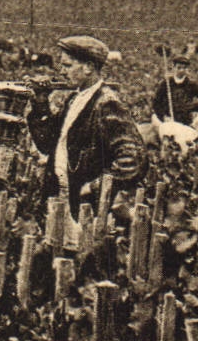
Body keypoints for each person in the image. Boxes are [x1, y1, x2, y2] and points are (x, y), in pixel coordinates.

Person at [27, 35, 144, 231]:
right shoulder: (74, 99)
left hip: (85, 209)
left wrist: (96, 187)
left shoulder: (107, 104)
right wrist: (40, 103)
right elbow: (48, 144)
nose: (62, 71)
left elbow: (134, 158)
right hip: (62, 199)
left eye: (67, 65)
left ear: (88, 67)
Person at [151, 54, 198, 125]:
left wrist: (194, 109)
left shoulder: (191, 84)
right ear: (173, 68)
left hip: (185, 120)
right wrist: (163, 116)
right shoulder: (166, 84)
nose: (181, 70)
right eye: (179, 68)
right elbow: (156, 102)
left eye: (184, 68)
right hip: (169, 120)